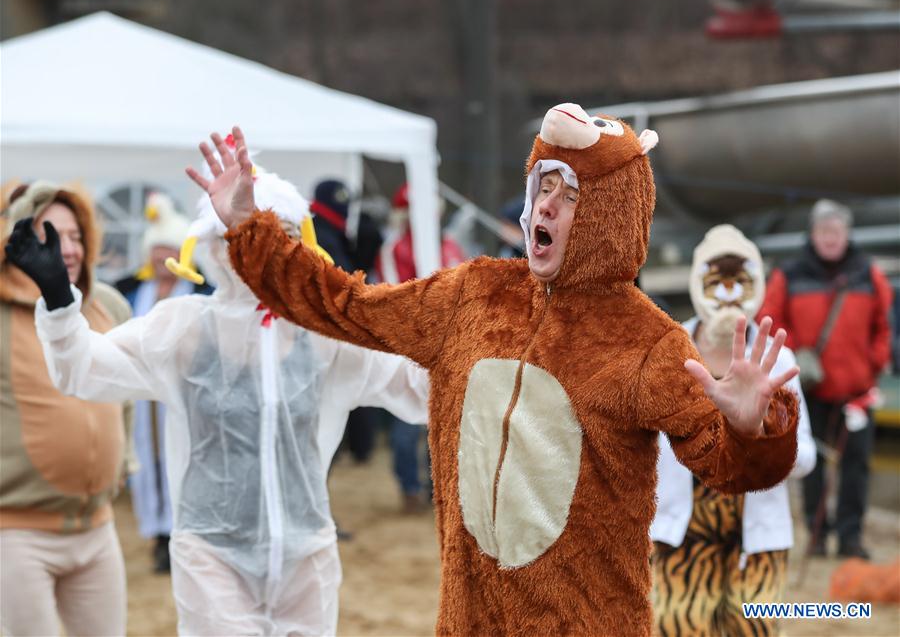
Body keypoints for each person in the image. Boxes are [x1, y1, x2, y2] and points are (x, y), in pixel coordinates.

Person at [199, 109, 800, 637]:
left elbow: (723, 465)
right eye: (543, 185)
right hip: (471, 621)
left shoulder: (647, 342)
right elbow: (345, 305)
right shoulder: (472, 295)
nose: (545, 204)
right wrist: (250, 231)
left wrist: (754, 430)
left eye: (569, 195)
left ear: (609, 213)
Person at [6, 165, 430, 636]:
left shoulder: (324, 336)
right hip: (211, 558)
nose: (262, 246)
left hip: (305, 557)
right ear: (214, 244)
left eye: (278, 232)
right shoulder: (184, 329)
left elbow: (416, 387)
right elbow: (82, 370)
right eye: (242, 232)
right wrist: (60, 303)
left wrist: (464, 338)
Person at [651, 224, 816, 637]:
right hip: (679, 536)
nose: (727, 292)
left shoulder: (777, 359)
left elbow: (807, 458)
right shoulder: (668, 352)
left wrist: (762, 431)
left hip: (757, 540)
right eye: (716, 280)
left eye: (738, 280)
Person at [1, 182, 133, 637]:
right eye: (52, 236)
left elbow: (126, 393)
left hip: (96, 530)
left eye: (76, 236)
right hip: (15, 533)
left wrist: (125, 459)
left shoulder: (107, 307)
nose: (68, 249)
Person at [760, 198, 894, 559]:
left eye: (836, 231)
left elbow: (886, 324)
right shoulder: (788, 274)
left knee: (855, 468)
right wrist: (793, 356)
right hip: (809, 389)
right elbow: (768, 321)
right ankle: (817, 533)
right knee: (810, 463)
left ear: (846, 234)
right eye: (823, 231)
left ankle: (850, 536)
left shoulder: (868, 273)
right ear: (813, 234)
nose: (830, 238)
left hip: (857, 391)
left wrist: (876, 362)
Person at [115, 191, 213, 574]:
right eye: (156, 250)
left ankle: (186, 535)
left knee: (186, 458)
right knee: (149, 460)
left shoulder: (202, 292)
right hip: (142, 398)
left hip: (187, 394)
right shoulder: (131, 291)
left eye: (169, 250)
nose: (162, 258)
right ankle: (159, 536)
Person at [375, 183, 465, 512]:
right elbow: (392, 295)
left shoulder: (450, 245)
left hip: (449, 347)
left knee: (445, 422)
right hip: (410, 347)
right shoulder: (395, 249)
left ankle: (437, 489)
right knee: (406, 421)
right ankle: (409, 488)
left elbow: (462, 288)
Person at [311, 178, 384, 464]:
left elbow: (353, 271)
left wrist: (367, 241)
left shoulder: (332, 231)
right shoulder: (320, 232)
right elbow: (343, 278)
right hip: (325, 329)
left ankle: (356, 446)